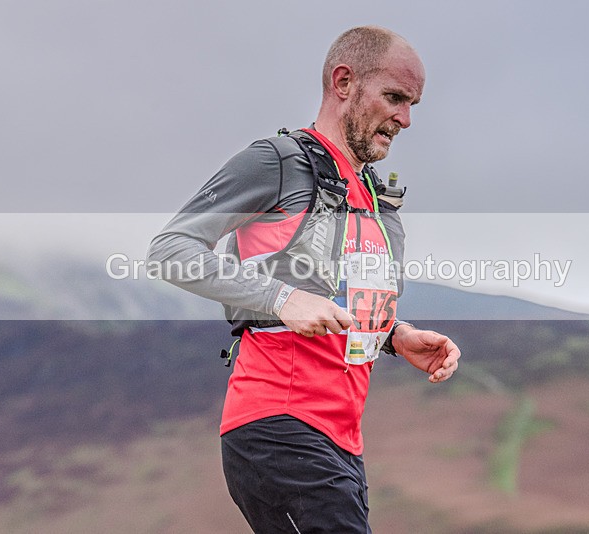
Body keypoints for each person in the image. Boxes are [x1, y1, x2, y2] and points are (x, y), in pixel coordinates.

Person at [148, 25, 460, 533]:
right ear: (343, 82)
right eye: (395, 97)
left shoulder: (382, 202)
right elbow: (170, 251)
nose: (404, 118)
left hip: (342, 443)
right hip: (277, 424)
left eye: (413, 105)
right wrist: (281, 298)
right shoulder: (279, 162)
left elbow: (333, 296)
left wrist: (395, 336)